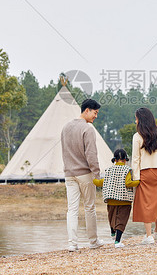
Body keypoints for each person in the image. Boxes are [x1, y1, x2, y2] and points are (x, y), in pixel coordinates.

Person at [61, 98, 104, 252]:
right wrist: (97, 174)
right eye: (95, 112)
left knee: (72, 209)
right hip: (85, 174)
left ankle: (72, 244)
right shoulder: (88, 129)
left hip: (69, 173)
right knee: (89, 207)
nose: (96, 116)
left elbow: (64, 152)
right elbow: (91, 154)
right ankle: (93, 241)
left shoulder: (66, 127)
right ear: (87, 110)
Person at [131, 107, 157, 245]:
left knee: (146, 204)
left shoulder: (137, 136)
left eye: (136, 118)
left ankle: (148, 236)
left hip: (145, 173)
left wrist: (135, 177)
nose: (135, 120)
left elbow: (135, 159)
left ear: (140, 119)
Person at [93, 149, 140, 248]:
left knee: (112, 217)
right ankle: (117, 241)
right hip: (124, 200)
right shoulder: (127, 169)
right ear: (125, 160)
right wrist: (138, 181)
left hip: (111, 199)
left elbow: (101, 182)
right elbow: (128, 183)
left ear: (114, 160)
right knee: (121, 220)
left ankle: (112, 232)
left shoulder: (109, 170)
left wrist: (93, 180)